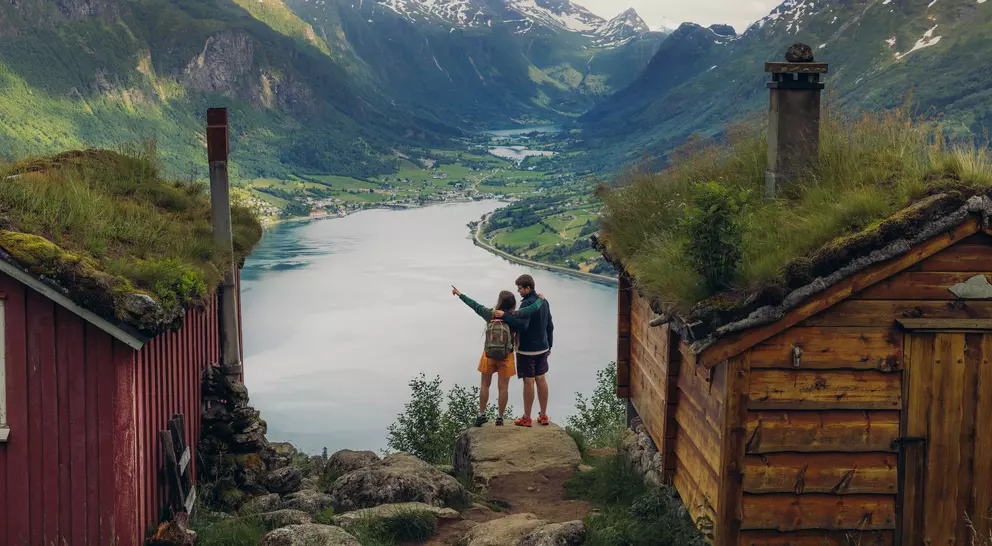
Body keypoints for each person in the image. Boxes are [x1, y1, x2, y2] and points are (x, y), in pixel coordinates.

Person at [452, 286, 531, 427]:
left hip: (488, 355)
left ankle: (481, 415)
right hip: (506, 356)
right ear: (512, 304)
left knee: (484, 385)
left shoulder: (490, 314)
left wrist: (460, 294)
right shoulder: (513, 317)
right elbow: (524, 324)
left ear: (499, 301)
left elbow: (475, 305)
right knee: (503, 387)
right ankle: (500, 418)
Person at [495, 274, 553, 428]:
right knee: (541, 379)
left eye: (520, 288)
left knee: (529, 381)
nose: (518, 291)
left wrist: (505, 316)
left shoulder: (526, 304)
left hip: (527, 350)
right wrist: (550, 346)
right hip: (543, 347)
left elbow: (522, 325)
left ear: (528, 288)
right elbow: (550, 325)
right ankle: (543, 415)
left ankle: (527, 417)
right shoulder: (544, 302)